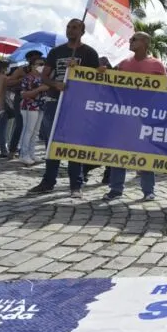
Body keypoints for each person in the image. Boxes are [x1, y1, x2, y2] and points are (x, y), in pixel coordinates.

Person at [28, 19, 100, 198]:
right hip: (55, 101)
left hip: (77, 104)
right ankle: (48, 181)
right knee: (52, 142)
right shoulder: (56, 52)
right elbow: (44, 77)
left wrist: (81, 72)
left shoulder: (89, 53)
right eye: (68, 27)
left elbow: (97, 79)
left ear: (82, 31)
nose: (70, 30)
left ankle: (76, 184)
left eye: (75, 27)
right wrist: (55, 83)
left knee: (74, 143)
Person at [103, 32, 166, 201]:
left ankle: (148, 190)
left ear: (145, 43)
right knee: (118, 152)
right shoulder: (123, 63)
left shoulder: (157, 65)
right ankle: (115, 189)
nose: (130, 42)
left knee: (145, 152)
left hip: (146, 116)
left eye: (134, 39)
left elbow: (164, 92)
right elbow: (114, 86)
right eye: (130, 39)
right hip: (124, 114)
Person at [15, 55, 48, 165]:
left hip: (40, 106)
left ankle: (31, 153)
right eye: (39, 64)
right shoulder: (27, 78)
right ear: (32, 66)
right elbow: (24, 94)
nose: (41, 66)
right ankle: (23, 154)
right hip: (29, 106)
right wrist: (39, 89)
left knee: (35, 131)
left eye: (43, 64)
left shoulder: (44, 78)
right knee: (28, 130)